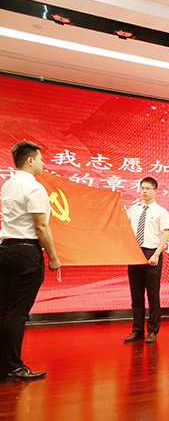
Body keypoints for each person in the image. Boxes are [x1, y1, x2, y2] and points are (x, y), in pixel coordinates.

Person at [0, 141, 60, 380]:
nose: (43, 163)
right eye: (41, 159)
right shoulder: (34, 188)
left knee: (4, 310)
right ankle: (14, 366)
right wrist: (53, 257)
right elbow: (41, 226)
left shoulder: (8, 184)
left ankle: (4, 365)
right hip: (26, 253)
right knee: (17, 312)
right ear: (30, 160)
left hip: (5, 249)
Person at [124, 177, 169, 344]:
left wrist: (156, 254)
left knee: (153, 296)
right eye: (142, 188)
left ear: (155, 191)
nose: (144, 191)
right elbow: (121, 223)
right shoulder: (133, 210)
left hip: (152, 253)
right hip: (135, 254)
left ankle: (152, 330)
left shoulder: (161, 212)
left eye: (148, 188)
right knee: (136, 296)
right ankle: (137, 330)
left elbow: (165, 234)